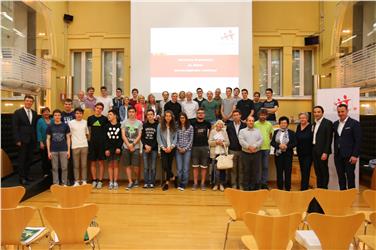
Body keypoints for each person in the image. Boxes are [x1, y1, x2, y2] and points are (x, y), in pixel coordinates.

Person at [333, 104, 361, 190]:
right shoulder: (335, 123)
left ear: (347, 111)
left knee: (350, 176)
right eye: (339, 112)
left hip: (350, 155)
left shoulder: (354, 123)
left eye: (342, 111)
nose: (340, 113)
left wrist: (355, 155)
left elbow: (358, 141)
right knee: (341, 176)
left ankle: (351, 196)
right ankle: (343, 194)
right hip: (338, 155)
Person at [13, 95, 38, 185]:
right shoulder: (18, 112)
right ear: (24, 101)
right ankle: (22, 177)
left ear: (32, 103)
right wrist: (17, 140)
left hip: (31, 140)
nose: (29, 102)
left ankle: (27, 175)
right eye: (27, 101)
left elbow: (34, 126)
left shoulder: (34, 113)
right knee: (22, 159)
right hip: (22, 140)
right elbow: (15, 127)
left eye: (30, 101)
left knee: (30, 159)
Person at [271, 116, 297, 191]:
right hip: (278, 155)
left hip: (288, 155)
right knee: (279, 172)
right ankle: (279, 188)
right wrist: (279, 145)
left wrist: (286, 146)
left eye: (285, 123)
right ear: (279, 124)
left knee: (288, 172)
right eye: (281, 123)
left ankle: (288, 188)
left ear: (287, 124)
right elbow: (272, 142)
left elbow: (295, 143)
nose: (283, 124)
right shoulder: (275, 132)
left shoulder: (291, 132)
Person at [46, 109, 71, 185]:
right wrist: (48, 151)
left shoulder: (65, 125)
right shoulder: (50, 126)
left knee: (64, 168)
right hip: (53, 150)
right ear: (53, 117)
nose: (57, 117)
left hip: (64, 149)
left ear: (61, 116)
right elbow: (48, 139)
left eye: (58, 115)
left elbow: (68, 138)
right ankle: (56, 184)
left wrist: (68, 150)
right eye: (55, 115)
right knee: (54, 168)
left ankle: (64, 183)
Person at [239, 116, 263, 191]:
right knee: (246, 170)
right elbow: (241, 141)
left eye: (252, 121)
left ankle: (253, 187)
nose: (251, 122)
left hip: (256, 153)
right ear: (246, 122)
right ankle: (246, 187)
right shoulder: (242, 131)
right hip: (245, 153)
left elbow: (261, 140)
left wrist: (254, 147)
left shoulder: (258, 131)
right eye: (249, 120)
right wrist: (249, 147)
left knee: (255, 171)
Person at [121, 106, 143, 190]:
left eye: (133, 112)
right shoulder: (124, 122)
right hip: (126, 147)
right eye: (129, 112)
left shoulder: (139, 123)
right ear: (128, 113)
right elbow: (123, 135)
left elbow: (139, 135)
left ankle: (136, 179)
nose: (131, 113)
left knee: (136, 166)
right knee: (127, 165)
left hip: (136, 147)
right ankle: (130, 181)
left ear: (135, 113)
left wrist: (133, 144)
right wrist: (128, 145)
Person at [312, 105, 333, 189]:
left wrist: (325, 152)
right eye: (315, 112)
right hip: (314, 150)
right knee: (317, 171)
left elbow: (329, 139)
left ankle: (324, 189)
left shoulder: (328, 123)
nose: (316, 114)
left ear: (322, 113)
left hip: (322, 152)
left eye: (318, 112)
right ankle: (319, 188)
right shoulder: (314, 123)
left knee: (323, 171)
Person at [87, 103, 108, 189]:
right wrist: (88, 141)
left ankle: (100, 181)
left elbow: (106, 132)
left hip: (101, 144)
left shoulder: (105, 119)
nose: (98, 109)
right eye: (97, 108)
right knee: (93, 162)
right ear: (94, 108)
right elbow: (88, 131)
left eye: (100, 108)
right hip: (92, 144)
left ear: (102, 110)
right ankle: (94, 180)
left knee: (101, 163)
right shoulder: (90, 118)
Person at [191, 108, 212, 190]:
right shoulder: (192, 123)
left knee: (204, 167)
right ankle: (195, 183)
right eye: (199, 113)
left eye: (202, 113)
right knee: (195, 167)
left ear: (204, 114)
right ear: (196, 114)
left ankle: (203, 183)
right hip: (194, 147)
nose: (200, 114)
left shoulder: (208, 123)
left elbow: (210, 133)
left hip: (205, 147)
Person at [157, 110, 177, 191]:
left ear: (172, 117)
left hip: (172, 149)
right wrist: (163, 147)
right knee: (165, 166)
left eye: (169, 116)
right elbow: (158, 137)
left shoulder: (174, 125)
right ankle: (174, 177)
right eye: (166, 116)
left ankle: (167, 183)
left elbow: (176, 138)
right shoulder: (160, 125)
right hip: (164, 149)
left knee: (169, 165)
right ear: (164, 117)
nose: (168, 117)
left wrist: (171, 147)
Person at [68, 108, 89, 186]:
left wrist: (83, 140)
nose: (78, 115)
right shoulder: (71, 123)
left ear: (82, 114)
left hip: (84, 145)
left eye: (80, 113)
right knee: (76, 165)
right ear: (74, 114)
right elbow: (69, 135)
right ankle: (76, 181)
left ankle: (84, 180)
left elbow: (87, 134)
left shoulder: (85, 122)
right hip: (75, 146)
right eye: (77, 113)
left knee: (84, 164)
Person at [254, 109, 274, 189]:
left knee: (265, 166)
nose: (262, 116)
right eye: (261, 115)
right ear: (258, 115)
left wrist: (269, 142)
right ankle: (257, 183)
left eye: (264, 115)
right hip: (257, 148)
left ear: (267, 116)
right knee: (258, 167)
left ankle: (264, 183)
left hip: (266, 148)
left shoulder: (269, 124)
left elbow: (270, 135)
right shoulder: (255, 124)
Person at [226, 109, 246, 189]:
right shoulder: (229, 125)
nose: (236, 116)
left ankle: (240, 184)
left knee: (241, 168)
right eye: (234, 115)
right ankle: (233, 184)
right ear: (232, 117)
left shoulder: (244, 125)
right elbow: (227, 137)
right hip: (232, 149)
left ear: (240, 116)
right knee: (233, 169)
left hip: (242, 150)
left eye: (237, 115)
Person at [209, 120, 230, 192]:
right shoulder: (212, 131)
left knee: (222, 170)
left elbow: (228, 143)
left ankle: (221, 184)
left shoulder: (224, 132)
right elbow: (209, 142)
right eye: (218, 124)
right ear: (216, 125)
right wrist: (216, 142)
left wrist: (222, 143)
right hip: (214, 154)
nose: (219, 126)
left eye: (221, 125)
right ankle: (215, 184)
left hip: (222, 153)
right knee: (214, 170)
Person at [105, 109, 123, 190]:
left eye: (110, 114)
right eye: (108, 114)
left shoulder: (120, 125)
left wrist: (119, 147)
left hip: (117, 149)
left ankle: (115, 181)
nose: (109, 116)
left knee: (115, 165)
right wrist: (107, 149)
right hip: (109, 149)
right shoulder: (106, 126)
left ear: (115, 116)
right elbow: (104, 139)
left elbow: (121, 138)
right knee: (109, 165)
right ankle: (110, 181)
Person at [175, 112, 194, 191]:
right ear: (179, 119)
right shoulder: (176, 127)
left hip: (187, 150)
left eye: (183, 117)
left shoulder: (190, 127)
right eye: (181, 118)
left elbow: (191, 140)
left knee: (185, 168)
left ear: (186, 118)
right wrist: (179, 148)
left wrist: (185, 149)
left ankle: (184, 184)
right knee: (179, 169)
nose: (182, 119)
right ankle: (179, 183)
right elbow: (175, 139)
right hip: (178, 150)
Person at [141, 109, 159, 188]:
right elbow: (142, 137)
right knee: (146, 167)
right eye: (148, 114)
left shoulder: (157, 125)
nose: (150, 116)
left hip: (154, 149)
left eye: (151, 114)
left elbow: (157, 138)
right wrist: (146, 145)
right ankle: (146, 182)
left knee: (153, 167)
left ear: (153, 115)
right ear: (146, 116)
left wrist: (151, 146)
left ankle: (152, 182)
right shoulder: (144, 125)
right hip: (145, 148)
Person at [295, 112, 313, 190]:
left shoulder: (311, 126)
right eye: (301, 118)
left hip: (308, 152)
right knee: (302, 169)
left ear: (307, 118)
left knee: (306, 170)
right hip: (300, 152)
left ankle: (304, 188)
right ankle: (304, 185)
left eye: (304, 118)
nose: (302, 119)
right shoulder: (298, 126)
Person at [61, 98, 75, 184]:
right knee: (64, 161)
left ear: (71, 105)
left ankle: (72, 179)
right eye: (66, 104)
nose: (67, 105)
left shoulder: (74, 114)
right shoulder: (61, 115)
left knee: (72, 162)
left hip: (73, 140)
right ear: (64, 105)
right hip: (63, 140)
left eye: (69, 104)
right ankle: (64, 180)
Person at [37, 107, 53, 178]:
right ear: (42, 113)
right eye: (44, 112)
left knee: (51, 158)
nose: (46, 113)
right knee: (44, 158)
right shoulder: (40, 121)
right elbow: (38, 132)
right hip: (43, 142)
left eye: (47, 111)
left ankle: (51, 170)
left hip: (52, 143)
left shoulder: (52, 120)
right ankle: (45, 172)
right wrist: (41, 142)